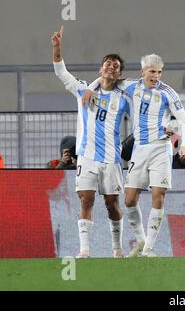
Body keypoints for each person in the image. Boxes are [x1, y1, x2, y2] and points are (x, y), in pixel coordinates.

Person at [83, 54, 185, 257]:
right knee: (129, 199)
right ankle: (141, 240)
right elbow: (107, 79)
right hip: (139, 149)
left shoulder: (168, 92)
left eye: (159, 72)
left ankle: (149, 248)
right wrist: (90, 88)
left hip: (160, 148)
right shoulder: (131, 86)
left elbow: (184, 120)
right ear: (143, 72)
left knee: (159, 194)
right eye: (152, 71)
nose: (156, 76)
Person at [52, 26, 131, 258]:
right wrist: (57, 47)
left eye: (116, 66)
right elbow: (61, 72)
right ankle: (84, 251)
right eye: (108, 63)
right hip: (86, 156)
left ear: (119, 74)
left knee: (111, 204)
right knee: (86, 199)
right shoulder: (83, 90)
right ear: (101, 68)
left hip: (111, 159)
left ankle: (117, 248)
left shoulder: (123, 98)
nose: (111, 67)